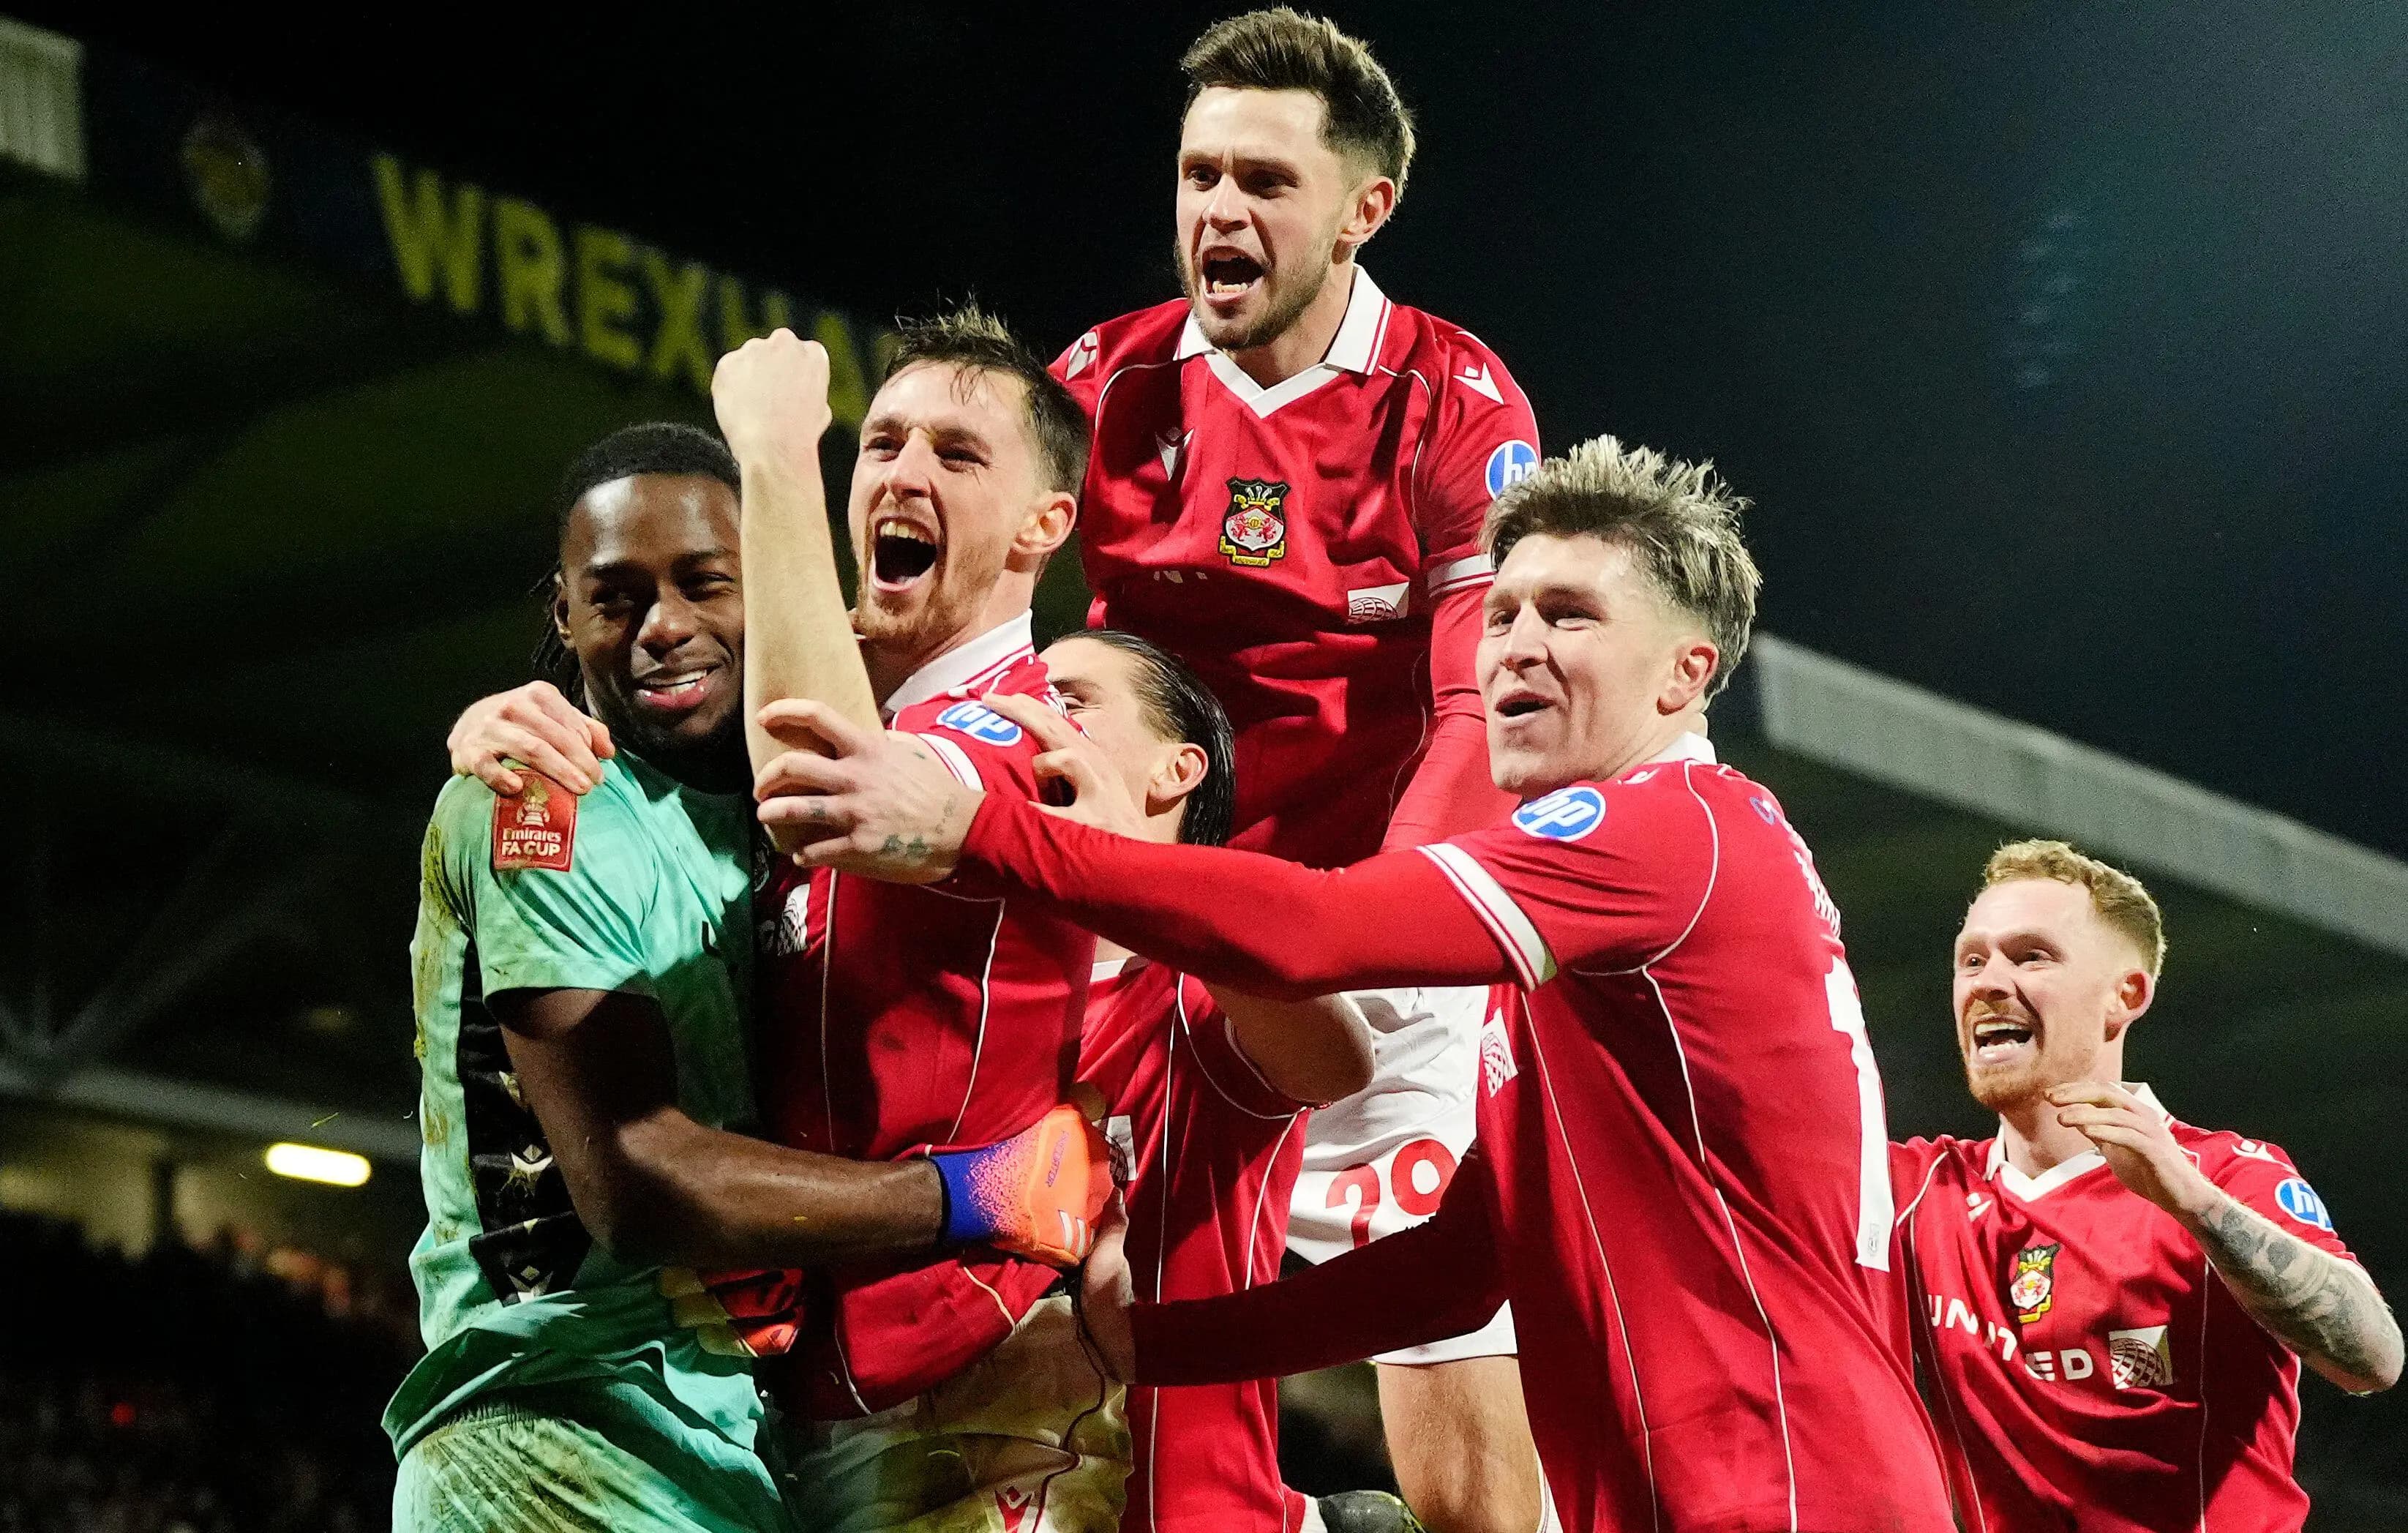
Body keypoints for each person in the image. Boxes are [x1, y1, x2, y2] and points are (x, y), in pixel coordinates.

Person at [751, 436, 1959, 1533]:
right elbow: (1465, 1261)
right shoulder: (1609, 933)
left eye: (1573, 616)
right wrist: (1156, 1342)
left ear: (1684, 674)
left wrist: (976, 828)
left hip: (1778, 1478)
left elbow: (1317, 931)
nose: (1518, 646)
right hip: (1720, 1479)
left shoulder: (1664, 830)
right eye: (1506, 615)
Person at [454, 309, 1131, 1533]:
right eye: (879, 444)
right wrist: (504, 728)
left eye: (958, 455)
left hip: (980, 1403)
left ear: (1044, 525)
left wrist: (771, 448)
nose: (902, 472)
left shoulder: (1028, 738)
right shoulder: (742, 762)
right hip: (800, 1412)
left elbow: (819, 785)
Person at [1054, 15, 1545, 1526]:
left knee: (1464, 1481)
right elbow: (966, 651)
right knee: (1094, 1388)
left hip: (1381, 967)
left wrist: (1384, 931)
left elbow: (1477, 707)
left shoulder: (1457, 406)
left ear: (1361, 209)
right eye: (1199, 173)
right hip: (1159, 970)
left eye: (1264, 181)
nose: (1218, 211)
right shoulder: (1102, 384)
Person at [985, 627, 1375, 1533]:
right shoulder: (961, 1001)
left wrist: (1127, 865)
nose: (1026, 718)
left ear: (1175, 772)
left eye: (1070, 700)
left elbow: (1340, 1061)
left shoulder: (1200, 995)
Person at [1890, 840, 2402, 1530]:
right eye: (1972, 959)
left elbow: (2374, 1357)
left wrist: (2189, 1201)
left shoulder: (2221, 1173)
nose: (1987, 981)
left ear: (2124, 996)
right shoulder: (1917, 1193)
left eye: (2031, 956)